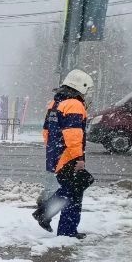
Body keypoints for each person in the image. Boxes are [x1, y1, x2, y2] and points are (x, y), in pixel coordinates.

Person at [35, 69, 95, 239]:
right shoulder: (74, 105)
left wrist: (54, 151)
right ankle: (52, 219)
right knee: (73, 191)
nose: (88, 94)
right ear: (80, 86)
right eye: (87, 89)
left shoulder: (55, 103)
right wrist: (78, 158)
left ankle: (64, 228)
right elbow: (74, 135)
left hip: (56, 155)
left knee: (72, 189)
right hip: (69, 156)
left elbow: (46, 132)